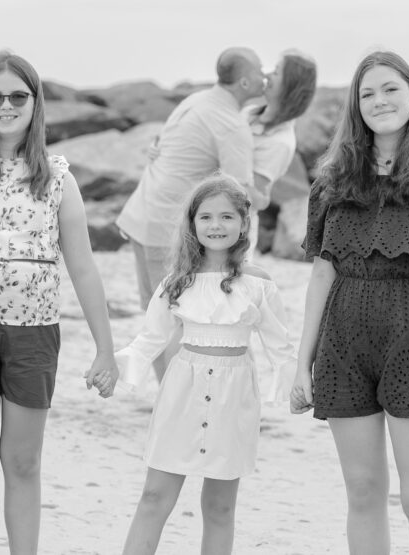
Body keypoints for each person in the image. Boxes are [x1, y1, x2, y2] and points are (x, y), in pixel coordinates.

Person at [0, 50, 118, 555]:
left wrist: (105, 349)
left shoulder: (58, 179)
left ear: (35, 103)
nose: (6, 105)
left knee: (24, 462)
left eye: (17, 96)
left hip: (34, 335)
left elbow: (84, 269)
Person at [290, 50, 409, 555]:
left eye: (391, 89)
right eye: (366, 93)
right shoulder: (333, 181)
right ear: (356, 106)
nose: (379, 101)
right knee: (363, 494)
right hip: (342, 346)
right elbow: (321, 274)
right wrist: (301, 365)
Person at [114, 175, 297, 555]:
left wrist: (296, 385)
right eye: (207, 217)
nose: (216, 226)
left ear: (244, 223)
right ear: (193, 224)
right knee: (154, 497)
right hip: (182, 393)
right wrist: (115, 370)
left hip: (235, 400)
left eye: (227, 217)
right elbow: (150, 338)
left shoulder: (259, 285)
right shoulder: (175, 283)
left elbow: (281, 347)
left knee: (219, 506)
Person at [116, 47, 265, 380]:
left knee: (158, 316)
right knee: (175, 321)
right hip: (164, 228)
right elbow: (239, 196)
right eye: (259, 71)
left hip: (143, 216)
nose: (265, 75)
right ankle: (173, 401)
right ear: (244, 81)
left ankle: (170, 400)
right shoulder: (230, 124)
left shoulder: (196, 101)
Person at [241, 49, 318, 251]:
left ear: (289, 86)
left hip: (233, 232)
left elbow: (251, 197)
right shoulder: (248, 113)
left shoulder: (281, 143)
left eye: (276, 72)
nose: (267, 75)